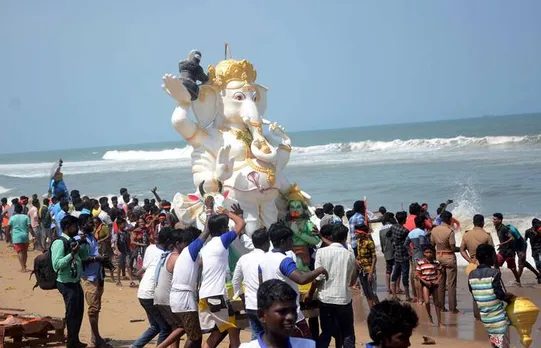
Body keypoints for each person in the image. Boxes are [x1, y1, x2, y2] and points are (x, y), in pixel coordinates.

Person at [259, 222, 328, 339]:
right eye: (290, 240)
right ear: (283, 242)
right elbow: (301, 279)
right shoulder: (284, 260)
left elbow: (262, 285)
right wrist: (319, 270)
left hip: (273, 313)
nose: (293, 242)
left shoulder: (263, 261)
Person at [165, 202, 212, 348]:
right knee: (195, 336)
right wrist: (209, 209)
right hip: (184, 298)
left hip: (177, 297)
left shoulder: (185, 255)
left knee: (190, 332)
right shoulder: (190, 250)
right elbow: (206, 231)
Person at [198, 204, 246, 348]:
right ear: (222, 230)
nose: (228, 229)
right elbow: (241, 224)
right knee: (234, 333)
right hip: (217, 295)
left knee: (219, 332)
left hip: (204, 295)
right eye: (226, 226)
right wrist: (227, 212)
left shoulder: (205, 248)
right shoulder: (222, 240)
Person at [313, 225, 356, 348]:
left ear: (332, 237)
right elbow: (352, 279)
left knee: (327, 331)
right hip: (343, 298)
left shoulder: (321, 252)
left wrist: (310, 293)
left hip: (325, 298)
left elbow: (318, 278)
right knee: (347, 332)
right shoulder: (349, 255)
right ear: (344, 238)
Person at [239, 279, 315, 348]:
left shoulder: (307, 345)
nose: (290, 317)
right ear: (262, 315)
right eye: (282, 311)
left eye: (293, 310)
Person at [52, 215, 89, 348]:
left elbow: (84, 257)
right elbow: (57, 265)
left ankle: (75, 340)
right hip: (65, 283)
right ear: (67, 228)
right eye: (75, 226)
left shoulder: (73, 241)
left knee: (78, 312)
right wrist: (71, 254)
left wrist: (84, 244)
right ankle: (71, 343)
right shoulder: (59, 242)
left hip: (75, 282)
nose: (77, 229)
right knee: (72, 313)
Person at [132, 227, 173, 348]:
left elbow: (145, 267)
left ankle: (135, 346)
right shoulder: (166, 255)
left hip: (143, 292)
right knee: (165, 328)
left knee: (155, 326)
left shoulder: (150, 248)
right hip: (150, 294)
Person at [468, 243, 515, 348]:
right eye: (494, 255)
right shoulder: (494, 273)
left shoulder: (471, 275)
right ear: (488, 257)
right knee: (503, 344)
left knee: (494, 342)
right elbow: (499, 294)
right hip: (498, 318)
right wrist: (509, 297)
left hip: (486, 318)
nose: (495, 258)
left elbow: (475, 293)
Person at [78, 213, 111, 348]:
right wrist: (97, 259)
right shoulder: (80, 239)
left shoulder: (92, 237)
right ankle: (95, 340)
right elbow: (79, 259)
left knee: (96, 309)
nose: (93, 225)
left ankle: (95, 337)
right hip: (88, 278)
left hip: (98, 275)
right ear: (83, 225)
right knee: (93, 309)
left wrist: (102, 259)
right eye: (90, 223)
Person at [232, 227, 271, 339]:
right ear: (266, 243)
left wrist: (242, 297)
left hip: (250, 304)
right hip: (266, 305)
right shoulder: (268, 258)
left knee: (255, 335)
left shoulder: (243, 258)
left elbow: (236, 281)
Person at [459, 214, 495, 320]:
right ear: (482, 222)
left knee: (475, 290)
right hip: (485, 265)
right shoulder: (487, 235)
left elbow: (462, 250)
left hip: (473, 266)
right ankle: (486, 313)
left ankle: (477, 315)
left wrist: (470, 260)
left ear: (473, 222)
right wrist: (495, 266)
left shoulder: (466, 235)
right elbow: (492, 252)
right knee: (487, 289)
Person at [430, 210, 458, 313]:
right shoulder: (449, 231)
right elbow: (453, 248)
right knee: (451, 284)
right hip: (449, 257)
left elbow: (432, 246)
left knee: (441, 284)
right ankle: (453, 308)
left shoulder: (434, 230)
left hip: (438, 256)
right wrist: (463, 249)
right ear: (449, 219)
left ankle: (441, 307)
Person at [416, 245, 443, 327]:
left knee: (437, 302)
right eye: (427, 252)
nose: (429, 254)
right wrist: (425, 281)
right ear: (424, 253)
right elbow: (418, 274)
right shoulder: (420, 263)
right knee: (427, 302)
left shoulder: (436, 262)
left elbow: (440, 272)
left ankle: (439, 321)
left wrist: (438, 280)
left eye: (430, 252)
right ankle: (430, 316)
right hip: (425, 283)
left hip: (434, 283)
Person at [404, 215, 428, 303]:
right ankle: (421, 298)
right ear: (422, 223)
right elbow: (422, 244)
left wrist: (411, 251)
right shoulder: (422, 232)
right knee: (421, 278)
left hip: (414, 257)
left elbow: (405, 244)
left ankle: (418, 297)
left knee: (416, 278)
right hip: (421, 257)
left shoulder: (411, 233)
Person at [492, 213, 521, 285]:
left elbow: (512, 238)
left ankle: (518, 281)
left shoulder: (504, 228)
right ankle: (497, 280)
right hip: (502, 251)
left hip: (509, 252)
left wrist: (503, 244)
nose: (493, 221)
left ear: (500, 220)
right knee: (496, 265)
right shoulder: (497, 227)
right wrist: (502, 245)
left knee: (513, 269)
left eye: (495, 219)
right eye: (493, 219)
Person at [355, 224, 379, 309]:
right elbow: (359, 255)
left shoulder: (369, 242)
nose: (355, 234)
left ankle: (379, 308)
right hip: (361, 270)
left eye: (356, 232)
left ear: (361, 233)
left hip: (369, 270)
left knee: (372, 293)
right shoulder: (358, 242)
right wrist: (356, 260)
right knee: (366, 293)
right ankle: (372, 311)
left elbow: (374, 258)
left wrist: (371, 272)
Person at [390, 212, 411, 301]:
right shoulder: (405, 231)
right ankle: (407, 296)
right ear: (404, 219)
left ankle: (394, 294)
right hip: (404, 255)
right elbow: (407, 243)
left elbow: (389, 236)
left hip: (396, 254)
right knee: (405, 276)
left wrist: (394, 243)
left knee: (395, 275)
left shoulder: (393, 227)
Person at [7, 204, 35, 272]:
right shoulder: (26, 217)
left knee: (19, 252)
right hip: (25, 236)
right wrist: (33, 235)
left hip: (16, 237)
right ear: (22, 210)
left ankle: (23, 268)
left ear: (15, 210)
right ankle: (24, 265)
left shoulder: (12, 218)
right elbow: (30, 227)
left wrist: (7, 237)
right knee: (25, 251)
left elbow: (8, 229)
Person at [379, 213, 396, 294]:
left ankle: (388, 288)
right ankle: (397, 288)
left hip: (386, 251)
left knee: (388, 270)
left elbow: (381, 243)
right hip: (394, 250)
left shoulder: (381, 229)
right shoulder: (393, 227)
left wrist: (383, 250)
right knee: (397, 270)